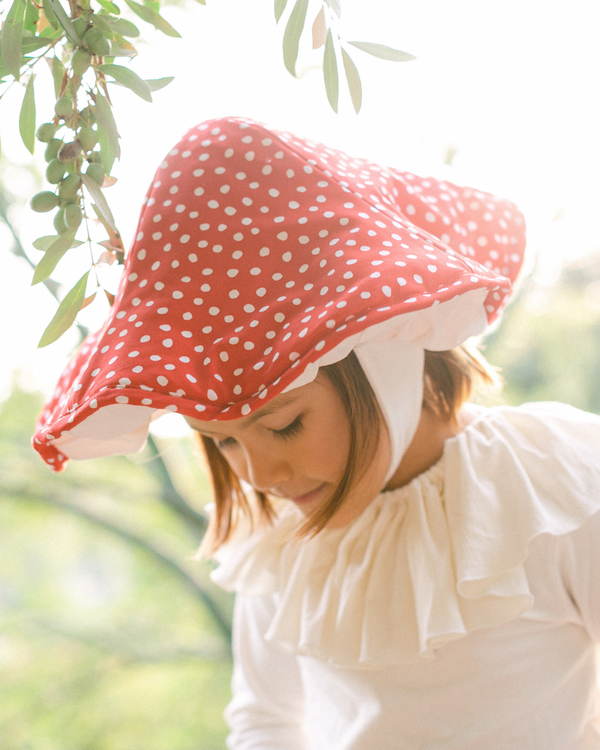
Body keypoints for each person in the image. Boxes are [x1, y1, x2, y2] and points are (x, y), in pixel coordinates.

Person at [33, 116, 600, 749]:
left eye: (283, 424)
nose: (258, 476)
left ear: (379, 355)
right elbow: (266, 723)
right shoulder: (282, 542)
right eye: (221, 441)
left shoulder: (557, 489)